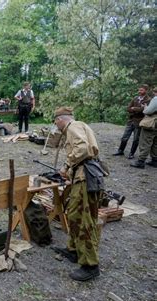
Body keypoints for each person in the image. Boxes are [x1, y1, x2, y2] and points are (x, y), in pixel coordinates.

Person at [52, 106, 101, 281]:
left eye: (55, 121)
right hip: (81, 176)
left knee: (83, 220)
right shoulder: (78, 126)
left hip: (85, 177)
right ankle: (73, 249)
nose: (55, 125)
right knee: (73, 214)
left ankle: (90, 265)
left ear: (60, 120)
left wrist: (66, 166)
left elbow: (82, 150)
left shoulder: (73, 127)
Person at [113, 84, 150, 159]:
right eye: (139, 90)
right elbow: (128, 108)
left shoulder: (148, 100)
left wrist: (134, 108)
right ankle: (120, 150)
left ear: (146, 90)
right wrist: (136, 109)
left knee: (136, 139)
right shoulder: (135, 98)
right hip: (131, 120)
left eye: (141, 90)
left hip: (139, 122)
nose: (139, 91)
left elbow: (143, 110)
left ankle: (131, 153)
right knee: (124, 137)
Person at [130, 87, 157, 169]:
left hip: (152, 122)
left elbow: (148, 111)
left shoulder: (156, 99)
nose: (154, 94)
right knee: (156, 142)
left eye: (155, 92)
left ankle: (141, 161)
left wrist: (145, 107)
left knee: (145, 141)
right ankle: (155, 160)